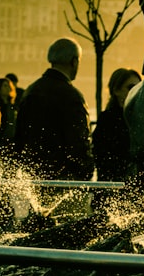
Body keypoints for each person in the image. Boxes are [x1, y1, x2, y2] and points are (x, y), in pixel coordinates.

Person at [14, 38, 94, 181]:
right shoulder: (72, 96)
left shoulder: (31, 91)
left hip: (34, 178)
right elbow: (80, 142)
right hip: (65, 181)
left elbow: (20, 136)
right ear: (74, 61)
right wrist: (85, 174)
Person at [91, 68, 142, 182]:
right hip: (113, 184)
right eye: (131, 88)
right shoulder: (107, 120)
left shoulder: (143, 120)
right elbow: (101, 156)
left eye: (139, 88)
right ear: (116, 90)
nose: (136, 92)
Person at [0, 77, 18, 161]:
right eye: (4, 86)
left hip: (11, 141)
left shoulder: (12, 105)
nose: (8, 88)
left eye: (8, 86)